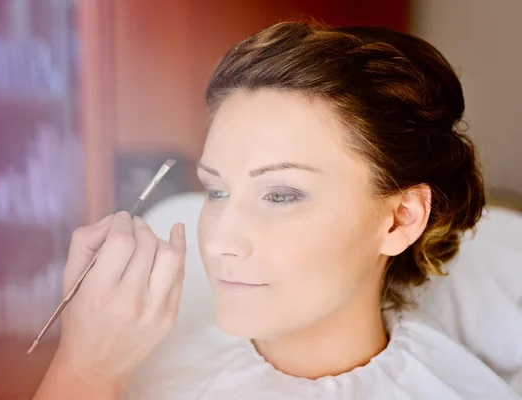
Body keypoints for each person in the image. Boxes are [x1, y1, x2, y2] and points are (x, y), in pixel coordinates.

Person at [33, 21, 521, 399]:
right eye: (216, 191)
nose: (221, 239)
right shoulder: (136, 370)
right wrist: (84, 369)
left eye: (281, 195)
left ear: (400, 219)